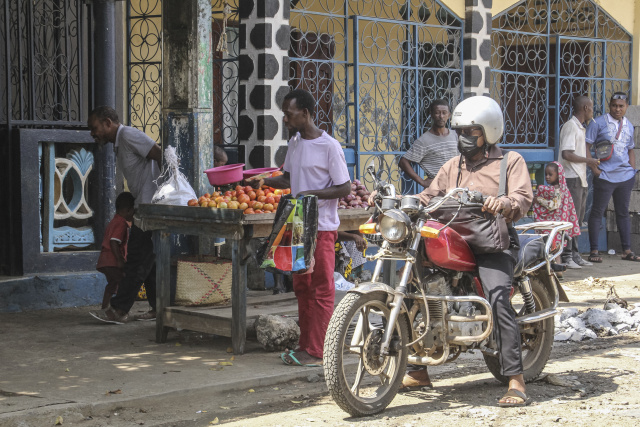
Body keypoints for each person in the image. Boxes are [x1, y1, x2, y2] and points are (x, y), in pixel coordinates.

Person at [411, 96, 534, 407]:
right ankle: (417, 368)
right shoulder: (452, 166)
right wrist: (401, 201)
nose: (463, 138)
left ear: (489, 132)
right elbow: (429, 196)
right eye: (460, 131)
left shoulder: (510, 162)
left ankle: (516, 380)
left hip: (492, 244)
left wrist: (503, 203)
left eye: (471, 131)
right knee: (417, 290)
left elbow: (521, 197)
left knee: (498, 298)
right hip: (453, 243)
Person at [247, 89, 351, 366]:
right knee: (302, 286)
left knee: (321, 288)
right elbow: (289, 179)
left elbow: (344, 187)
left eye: (289, 114)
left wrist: (313, 195)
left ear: (304, 114)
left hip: (322, 228)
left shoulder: (330, 146)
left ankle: (319, 350)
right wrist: (266, 181)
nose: (285, 119)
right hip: (298, 225)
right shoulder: (294, 143)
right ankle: (307, 345)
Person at [88, 106, 162, 324]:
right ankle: (159, 307)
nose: (93, 134)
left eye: (95, 128)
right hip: (145, 204)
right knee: (149, 260)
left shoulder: (128, 135)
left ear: (108, 122)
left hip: (150, 206)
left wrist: (163, 192)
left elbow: (159, 153)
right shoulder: (121, 142)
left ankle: (119, 310)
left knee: (137, 257)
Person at [585, 92, 639, 263]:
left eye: (621, 106)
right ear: (610, 106)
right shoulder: (598, 123)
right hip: (605, 176)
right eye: (614, 105)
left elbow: (630, 149)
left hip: (625, 177)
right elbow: (586, 146)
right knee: (597, 212)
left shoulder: (629, 125)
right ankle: (594, 251)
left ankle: (627, 250)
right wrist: (595, 169)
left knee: (623, 213)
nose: (617, 109)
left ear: (626, 107)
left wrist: (632, 169)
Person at [558, 95, 597, 268]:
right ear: (586, 108)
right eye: (592, 107)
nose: (593, 111)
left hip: (580, 178)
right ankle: (567, 256)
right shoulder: (570, 126)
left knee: (578, 220)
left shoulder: (580, 128)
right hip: (571, 177)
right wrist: (588, 161)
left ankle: (575, 254)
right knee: (570, 219)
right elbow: (566, 154)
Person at [399, 99, 458, 190]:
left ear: (449, 115)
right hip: (437, 189)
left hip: (456, 186)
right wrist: (422, 181)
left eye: (444, 113)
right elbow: (403, 162)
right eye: (437, 113)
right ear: (431, 114)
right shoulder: (424, 141)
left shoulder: (455, 135)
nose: (441, 116)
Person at [96, 192, 135, 309]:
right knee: (124, 284)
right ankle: (118, 309)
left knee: (112, 284)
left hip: (105, 260)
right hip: (112, 261)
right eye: (133, 211)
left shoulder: (113, 221)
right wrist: (120, 259)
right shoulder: (121, 223)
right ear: (128, 210)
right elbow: (114, 241)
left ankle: (104, 308)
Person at [533, 162, 581, 251]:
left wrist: (538, 200)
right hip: (554, 224)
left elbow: (554, 205)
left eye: (550, 175)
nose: (547, 177)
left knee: (554, 248)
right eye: (546, 174)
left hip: (555, 224)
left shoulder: (558, 190)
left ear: (558, 175)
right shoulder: (554, 188)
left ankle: (556, 264)